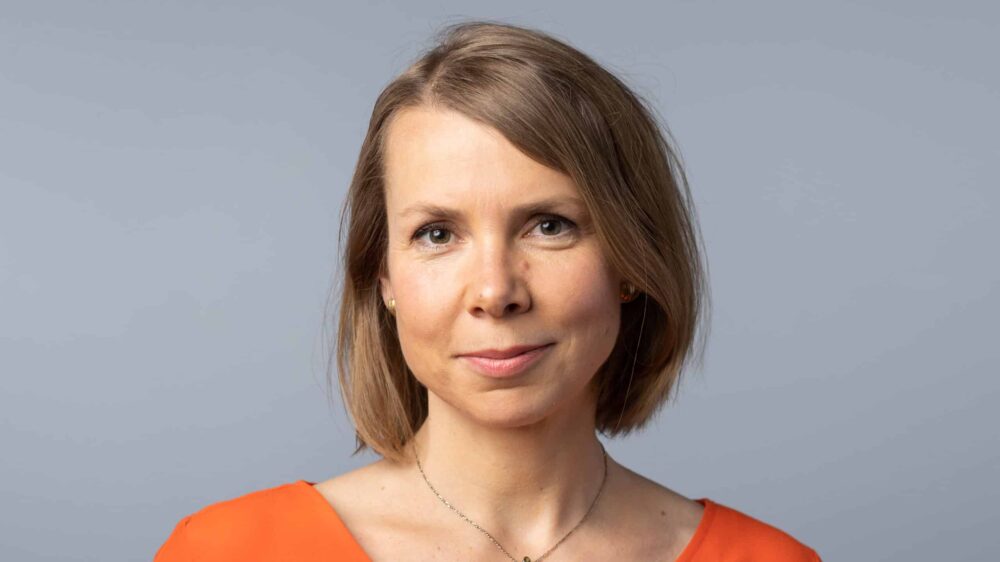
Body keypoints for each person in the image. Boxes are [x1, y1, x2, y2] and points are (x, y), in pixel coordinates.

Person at [154, 20, 821, 562]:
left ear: (631, 261)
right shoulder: (226, 553)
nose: (495, 292)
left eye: (549, 226)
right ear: (383, 277)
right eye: (438, 234)